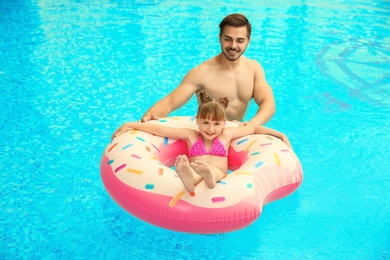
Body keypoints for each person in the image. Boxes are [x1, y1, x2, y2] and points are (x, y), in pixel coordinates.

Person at [113, 91, 291, 195]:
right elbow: (160, 130)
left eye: (216, 124)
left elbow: (253, 129)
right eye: (205, 122)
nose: (211, 129)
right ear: (197, 121)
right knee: (193, 169)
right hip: (195, 171)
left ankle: (204, 178)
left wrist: (279, 134)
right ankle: (190, 179)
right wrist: (130, 124)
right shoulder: (191, 135)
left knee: (211, 170)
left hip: (218, 175)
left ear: (223, 123)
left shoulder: (227, 134)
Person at [141, 13, 275, 126]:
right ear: (220, 38)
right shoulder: (202, 73)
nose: (233, 46)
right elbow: (170, 102)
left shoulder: (254, 69)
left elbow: (268, 103)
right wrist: (145, 120)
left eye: (240, 40)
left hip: (236, 133)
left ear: (248, 41)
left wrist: (253, 123)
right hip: (208, 135)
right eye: (228, 39)